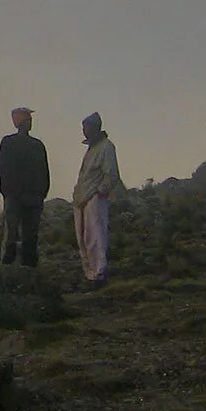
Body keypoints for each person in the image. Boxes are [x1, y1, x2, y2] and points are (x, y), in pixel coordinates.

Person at [72, 111, 124, 289]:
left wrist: (99, 192)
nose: (84, 131)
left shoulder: (106, 147)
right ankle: (90, 274)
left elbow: (111, 174)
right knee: (85, 240)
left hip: (94, 198)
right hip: (82, 198)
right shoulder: (92, 149)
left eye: (86, 127)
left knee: (96, 238)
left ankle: (99, 274)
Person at [0, 106, 50, 267]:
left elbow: (2, 169)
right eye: (27, 119)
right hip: (26, 197)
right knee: (24, 235)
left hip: (23, 197)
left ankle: (11, 267)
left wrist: (9, 192)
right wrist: (40, 193)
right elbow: (3, 169)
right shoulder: (35, 145)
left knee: (20, 235)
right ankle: (22, 268)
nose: (30, 122)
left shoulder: (10, 143)